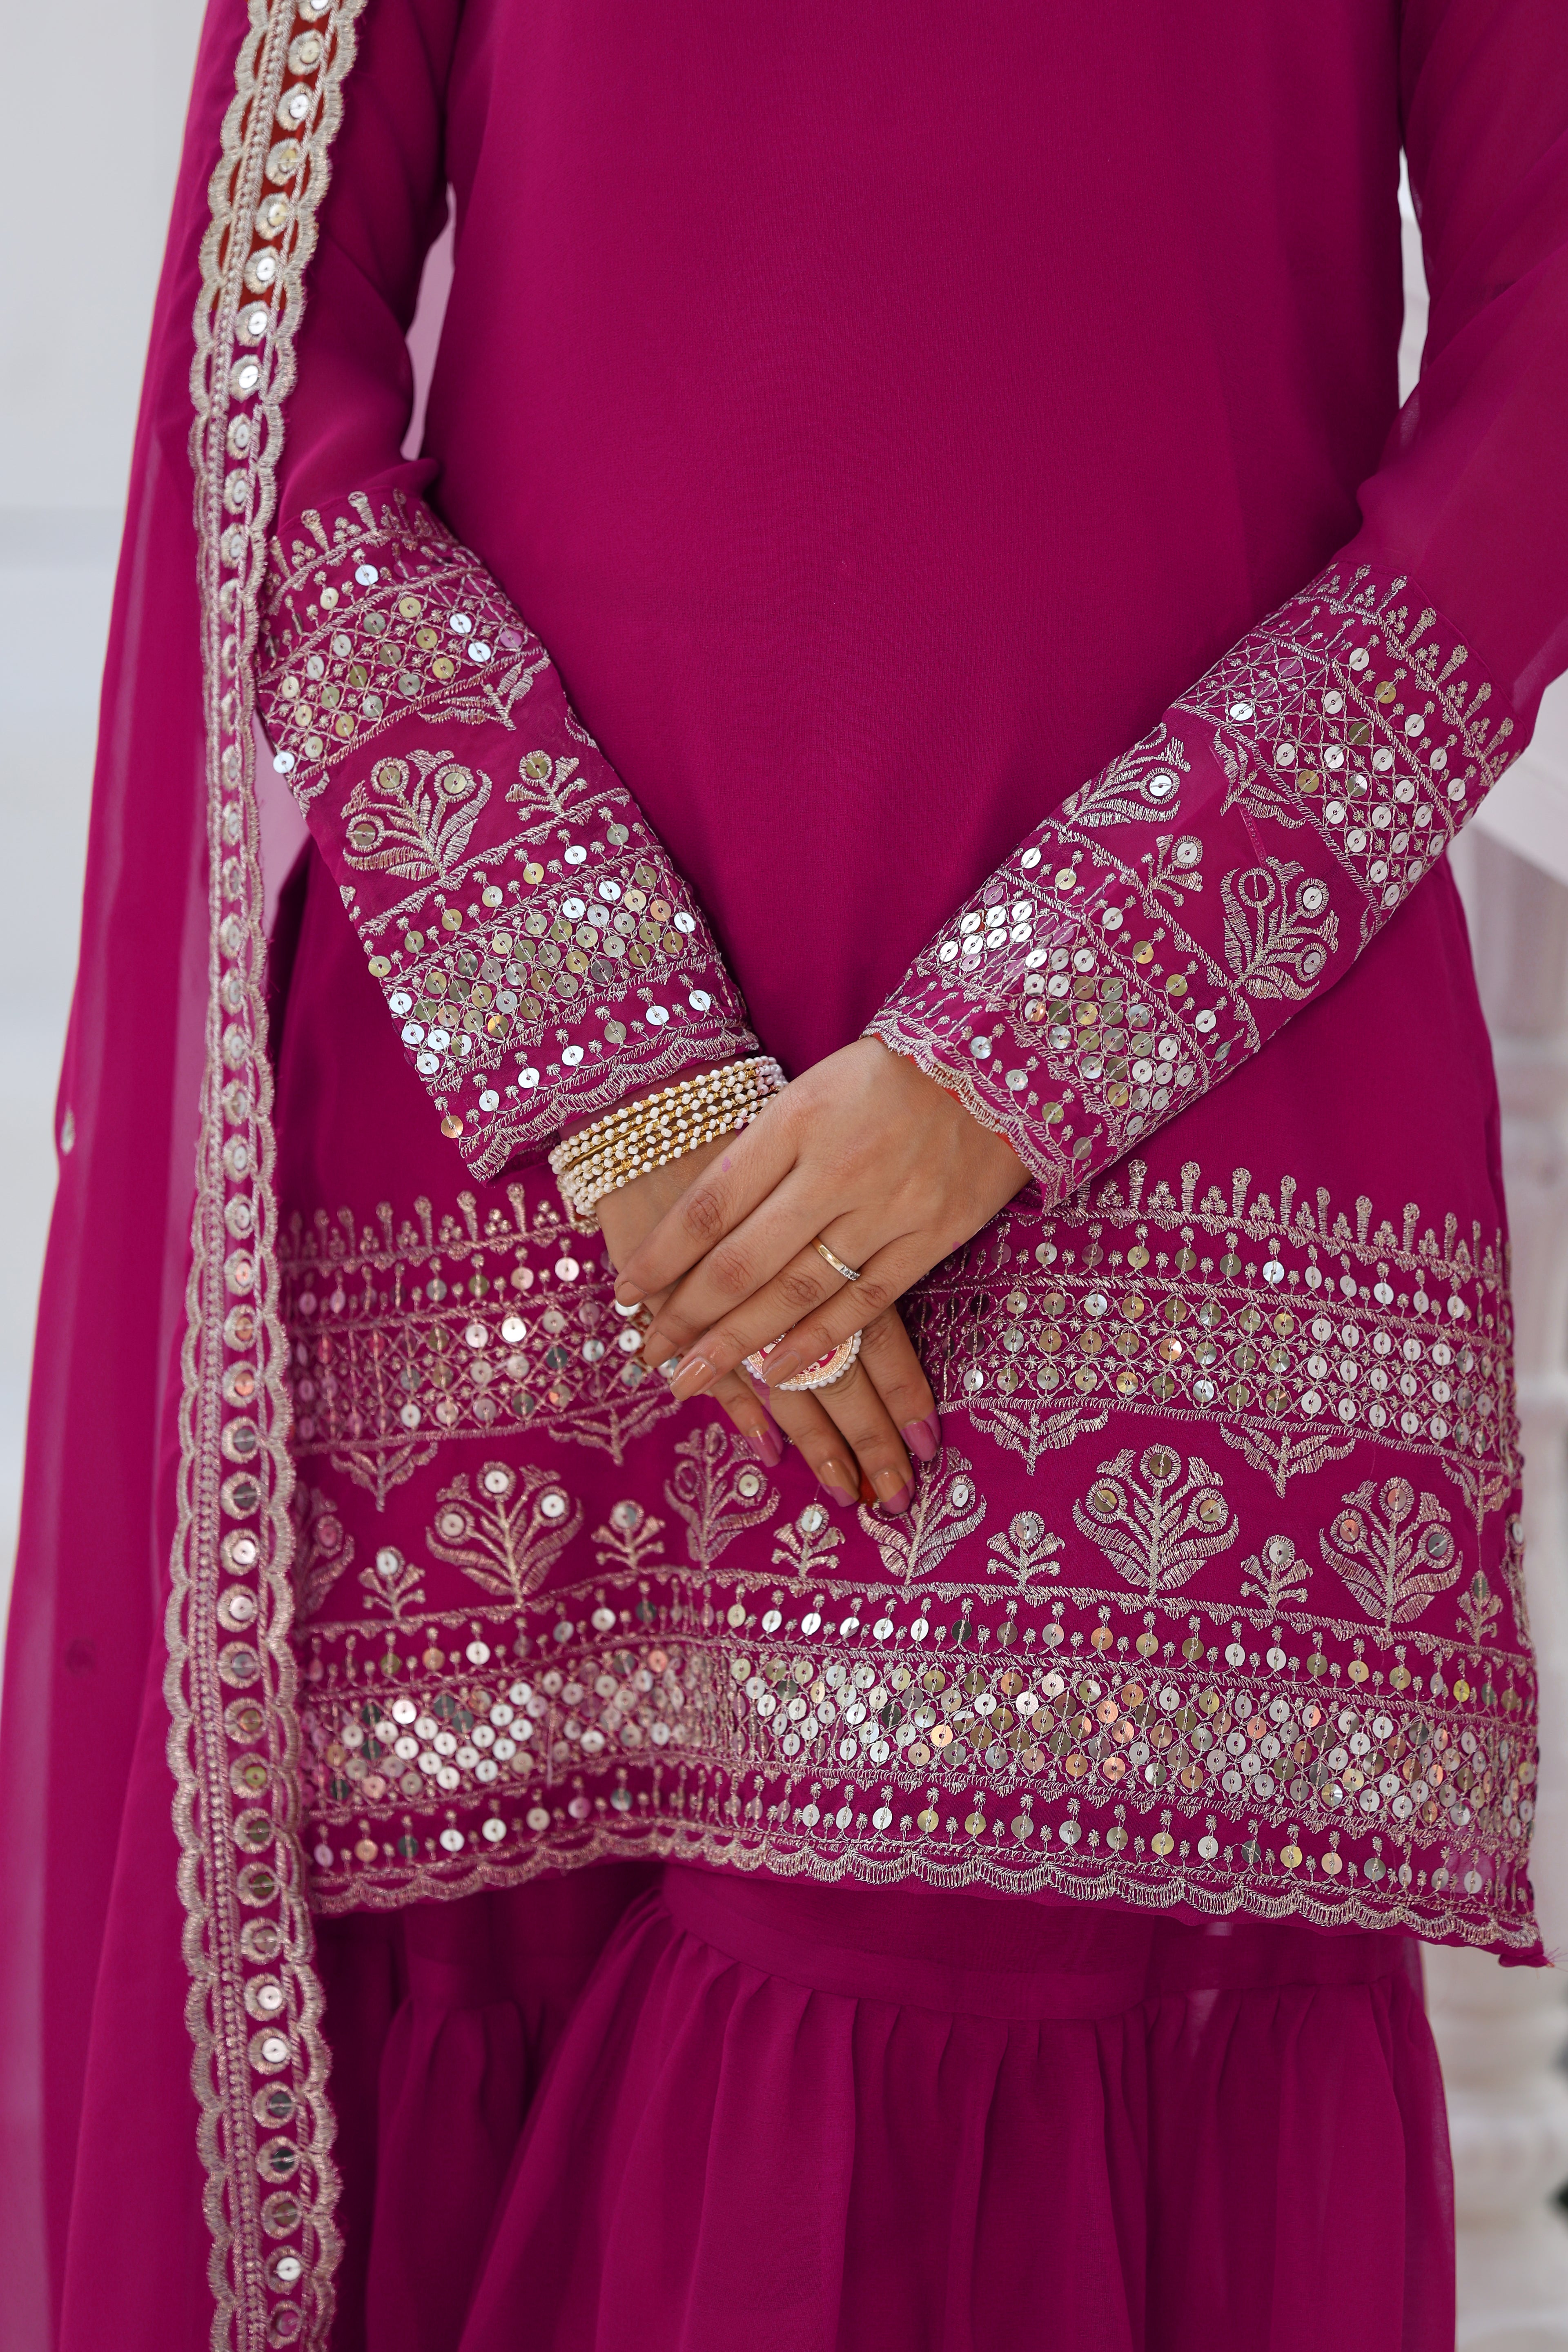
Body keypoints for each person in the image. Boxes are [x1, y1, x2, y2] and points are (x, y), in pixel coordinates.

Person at [3, 0, 1564, 2344]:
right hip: (525, 1161)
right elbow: (269, 379)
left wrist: (1019, 1055)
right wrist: (624, 1089)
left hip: (1160, 1146)